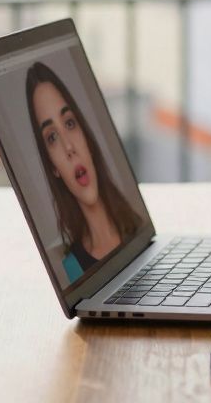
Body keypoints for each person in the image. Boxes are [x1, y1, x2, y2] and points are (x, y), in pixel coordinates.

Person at [24, 61, 143, 284]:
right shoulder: (74, 269)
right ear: (53, 167)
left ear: (85, 135)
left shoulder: (138, 228)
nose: (69, 147)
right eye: (52, 137)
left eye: (69, 123)